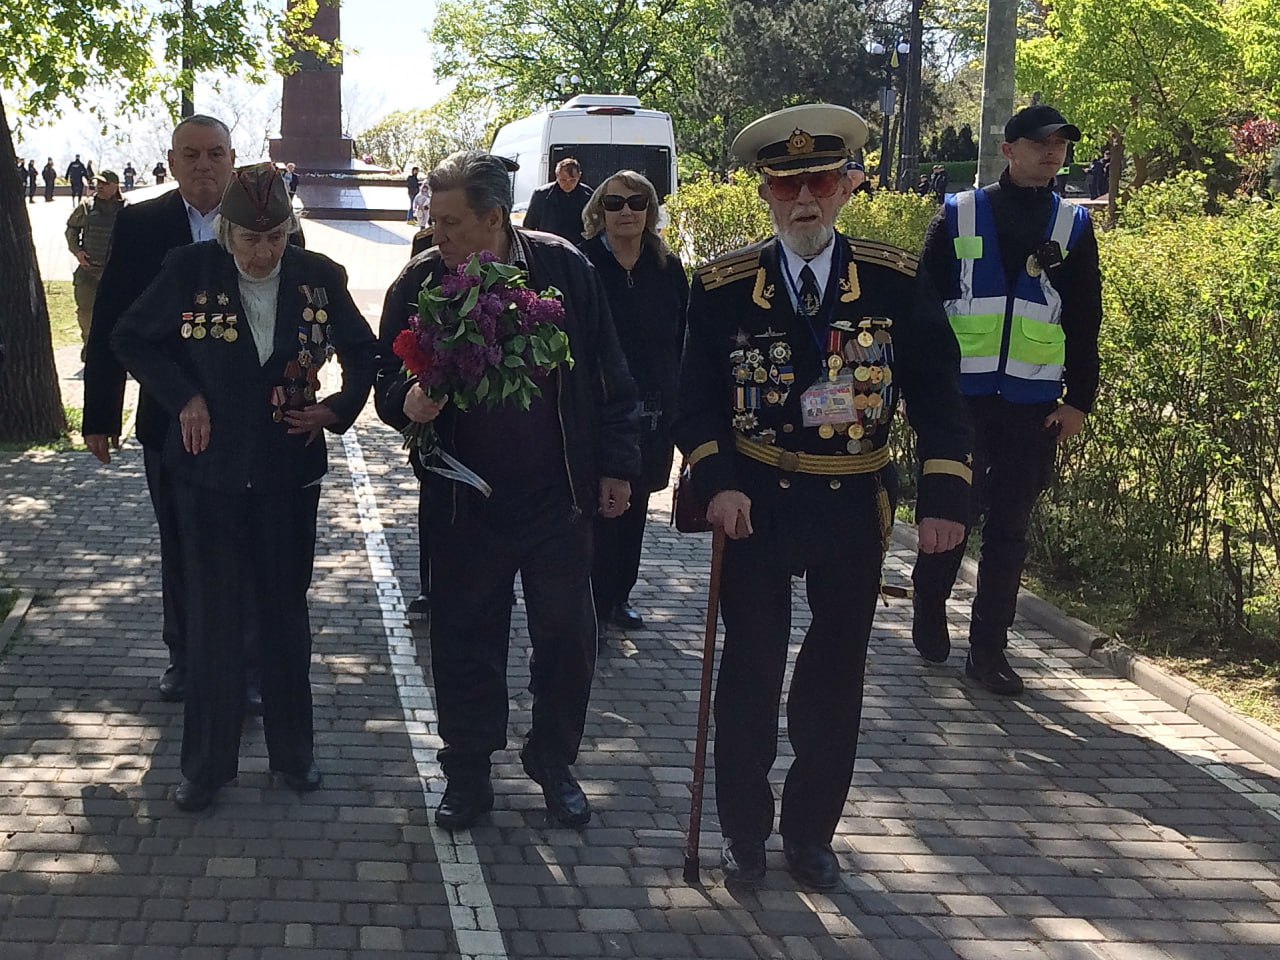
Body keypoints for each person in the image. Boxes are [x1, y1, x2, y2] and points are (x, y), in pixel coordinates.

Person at [673, 103, 972, 891]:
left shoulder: (895, 280)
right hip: (757, 504)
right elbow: (693, 399)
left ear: (847, 188)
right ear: (765, 193)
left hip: (851, 506)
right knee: (752, 670)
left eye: (820, 181)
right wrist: (719, 485)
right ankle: (743, 828)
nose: (804, 198)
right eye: (786, 184)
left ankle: (811, 833)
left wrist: (945, 499)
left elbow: (940, 396)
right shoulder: (723, 287)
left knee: (835, 677)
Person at [374, 150, 640, 831]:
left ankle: (553, 762)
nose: (439, 234)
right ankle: (467, 772)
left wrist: (616, 468)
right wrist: (410, 399)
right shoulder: (418, 282)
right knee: (464, 639)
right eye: (433, 219)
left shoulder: (563, 270)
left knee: (567, 640)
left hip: (559, 499)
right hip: (466, 504)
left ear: (495, 217)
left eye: (453, 222)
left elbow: (609, 373)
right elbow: (384, 384)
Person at [111, 163, 381, 812]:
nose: (264, 253)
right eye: (251, 239)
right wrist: (184, 399)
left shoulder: (320, 278)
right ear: (226, 231)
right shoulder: (189, 271)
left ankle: (295, 755)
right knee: (213, 618)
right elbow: (130, 339)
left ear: (292, 229)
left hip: (288, 476)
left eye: (278, 238)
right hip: (208, 477)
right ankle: (205, 767)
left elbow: (365, 352)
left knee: (286, 616)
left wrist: (335, 410)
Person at [910, 104, 1102, 697]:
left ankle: (989, 649)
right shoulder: (960, 212)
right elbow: (923, 305)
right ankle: (929, 600)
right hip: (960, 401)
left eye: (1062, 144)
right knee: (955, 516)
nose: (1053, 152)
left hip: (1033, 401)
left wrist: (1080, 400)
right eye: (1042, 142)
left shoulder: (1072, 225)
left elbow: (1086, 318)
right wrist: (922, 387)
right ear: (1010, 149)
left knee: (1011, 529)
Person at [84, 115, 255, 705]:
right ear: (172, 161)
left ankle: (247, 666)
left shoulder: (263, 218)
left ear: (233, 158)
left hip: (249, 422)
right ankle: (184, 657)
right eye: (191, 155)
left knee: (249, 547)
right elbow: (111, 317)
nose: (204, 166)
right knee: (180, 543)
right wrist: (99, 412)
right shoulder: (140, 223)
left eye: (215, 154)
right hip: (167, 416)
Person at [578, 170, 688, 640]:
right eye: (616, 202)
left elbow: (686, 333)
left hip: (652, 409)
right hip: (596, 408)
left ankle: (618, 594)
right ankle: (588, 603)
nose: (627, 211)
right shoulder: (582, 265)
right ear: (598, 211)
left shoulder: (668, 267)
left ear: (650, 210)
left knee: (636, 504)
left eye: (637, 202)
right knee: (596, 507)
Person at [65, 170, 126, 361]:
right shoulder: (86, 207)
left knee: (119, 312)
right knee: (86, 312)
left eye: (104, 183)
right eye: (97, 183)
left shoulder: (127, 209)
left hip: (116, 273)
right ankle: (90, 346)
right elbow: (71, 230)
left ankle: (118, 349)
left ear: (115, 186)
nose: (99, 186)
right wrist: (77, 251)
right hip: (88, 271)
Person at [523, 157, 592, 242]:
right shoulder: (541, 195)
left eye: (572, 180)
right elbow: (529, 226)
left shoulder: (588, 195)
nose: (568, 184)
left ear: (579, 176)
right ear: (557, 176)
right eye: (563, 180)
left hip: (579, 247)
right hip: (549, 246)